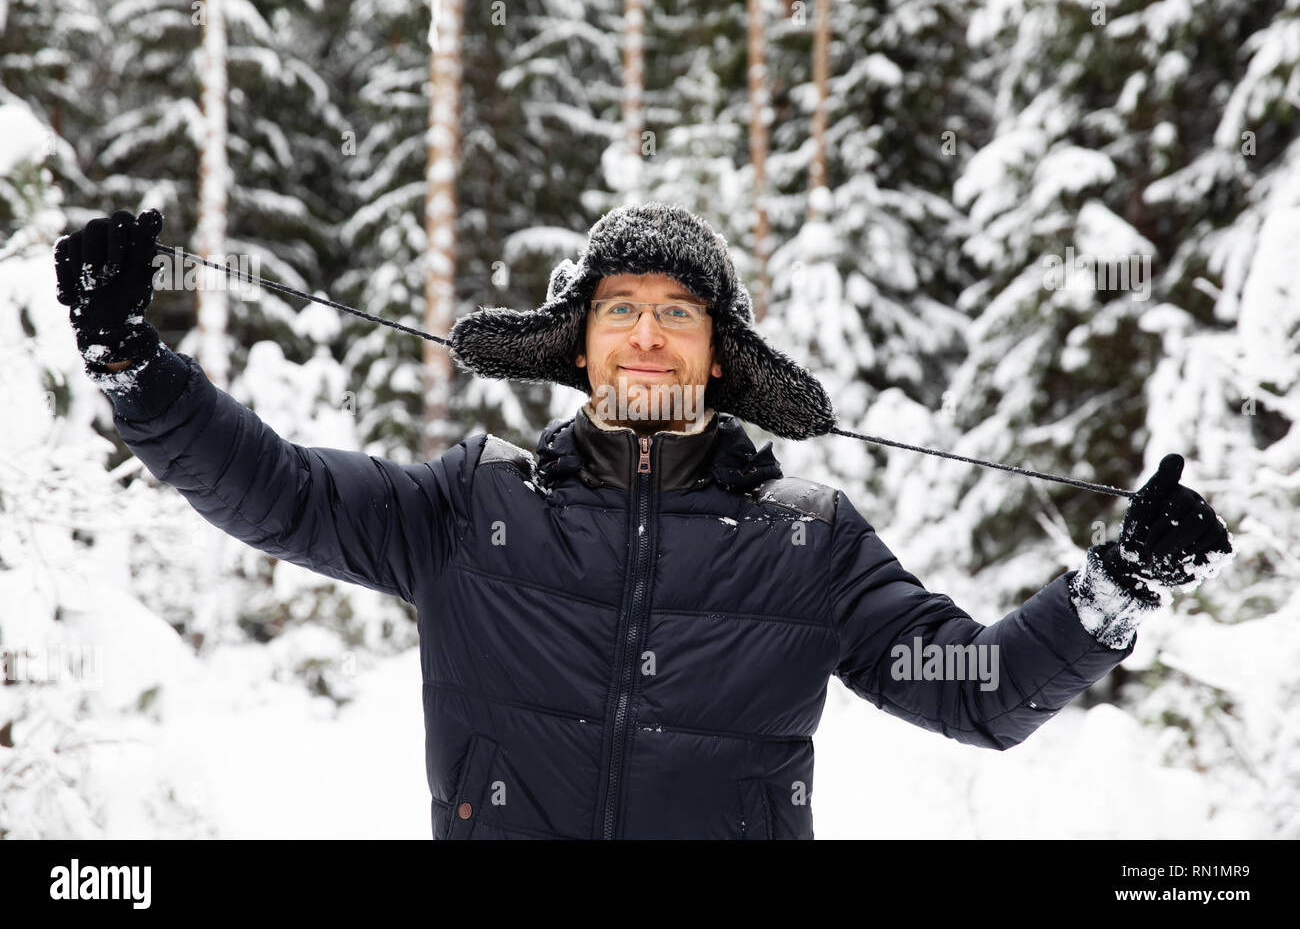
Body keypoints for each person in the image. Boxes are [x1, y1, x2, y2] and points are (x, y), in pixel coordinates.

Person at [53, 202, 1234, 839]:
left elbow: (972, 685)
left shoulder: (808, 537)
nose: (649, 331)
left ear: (721, 360)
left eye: (679, 311)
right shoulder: (471, 503)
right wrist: (131, 362)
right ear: (580, 346)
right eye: (620, 308)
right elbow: (281, 491)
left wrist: (1117, 582)